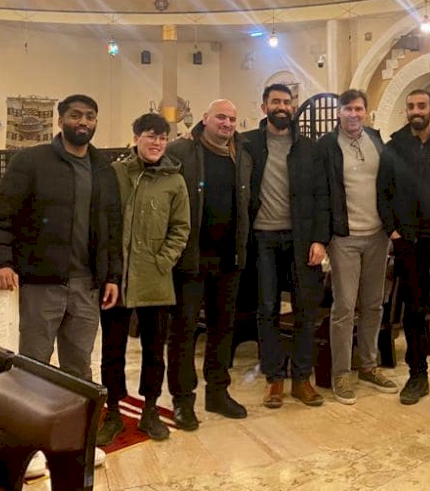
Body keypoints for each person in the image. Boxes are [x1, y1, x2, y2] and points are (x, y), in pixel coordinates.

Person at [0, 94, 121, 468]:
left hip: (86, 286)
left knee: (80, 372)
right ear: (60, 121)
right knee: (32, 369)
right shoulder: (32, 162)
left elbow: (112, 228)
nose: (83, 122)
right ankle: (23, 452)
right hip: (42, 284)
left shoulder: (103, 169)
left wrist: (112, 276)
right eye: (76, 115)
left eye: (90, 116)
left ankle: (77, 447)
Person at [96, 113, 190, 445]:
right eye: (151, 136)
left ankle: (150, 410)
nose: (157, 143)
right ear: (136, 138)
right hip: (116, 279)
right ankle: (113, 411)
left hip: (155, 278)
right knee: (112, 349)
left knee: (153, 350)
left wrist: (162, 261)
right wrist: (109, 267)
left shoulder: (174, 181)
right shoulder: (116, 173)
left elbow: (181, 228)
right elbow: (104, 221)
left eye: (163, 138)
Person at [165, 99, 252, 429]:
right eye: (220, 117)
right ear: (205, 119)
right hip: (191, 258)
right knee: (184, 331)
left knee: (222, 330)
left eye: (232, 119)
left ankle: (217, 393)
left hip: (229, 258)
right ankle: (182, 400)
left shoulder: (241, 155)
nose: (227, 123)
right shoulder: (181, 150)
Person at [378, 89, 430, 407]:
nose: (416, 111)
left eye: (422, 106)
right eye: (411, 106)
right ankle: (417, 375)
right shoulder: (394, 147)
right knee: (414, 312)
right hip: (410, 244)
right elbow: (383, 193)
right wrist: (394, 232)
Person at [243, 84, 328, 409]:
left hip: (300, 239)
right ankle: (274, 378)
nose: (282, 106)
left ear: (293, 107)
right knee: (267, 310)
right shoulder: (248, 144)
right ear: (264, 107)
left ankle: (302, 379)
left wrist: (320, 239)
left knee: (305, 309)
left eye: (287, 102)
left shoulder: (308, 147)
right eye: (275, 101)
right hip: (262, 239)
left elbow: (323, 195)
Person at [315, 89, 398, 405]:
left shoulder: (376, 139)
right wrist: (323, 237)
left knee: (374, 304)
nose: (353, 114)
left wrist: (391, 225)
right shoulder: (326, 145)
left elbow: (388, 185)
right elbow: (322, 192)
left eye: (359, 109)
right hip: (344, 237)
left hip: (377, 235)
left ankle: (368, 366)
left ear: (366, 112)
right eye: (348, 108)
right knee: (345, 307)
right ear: (339, 112)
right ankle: (341, 373)